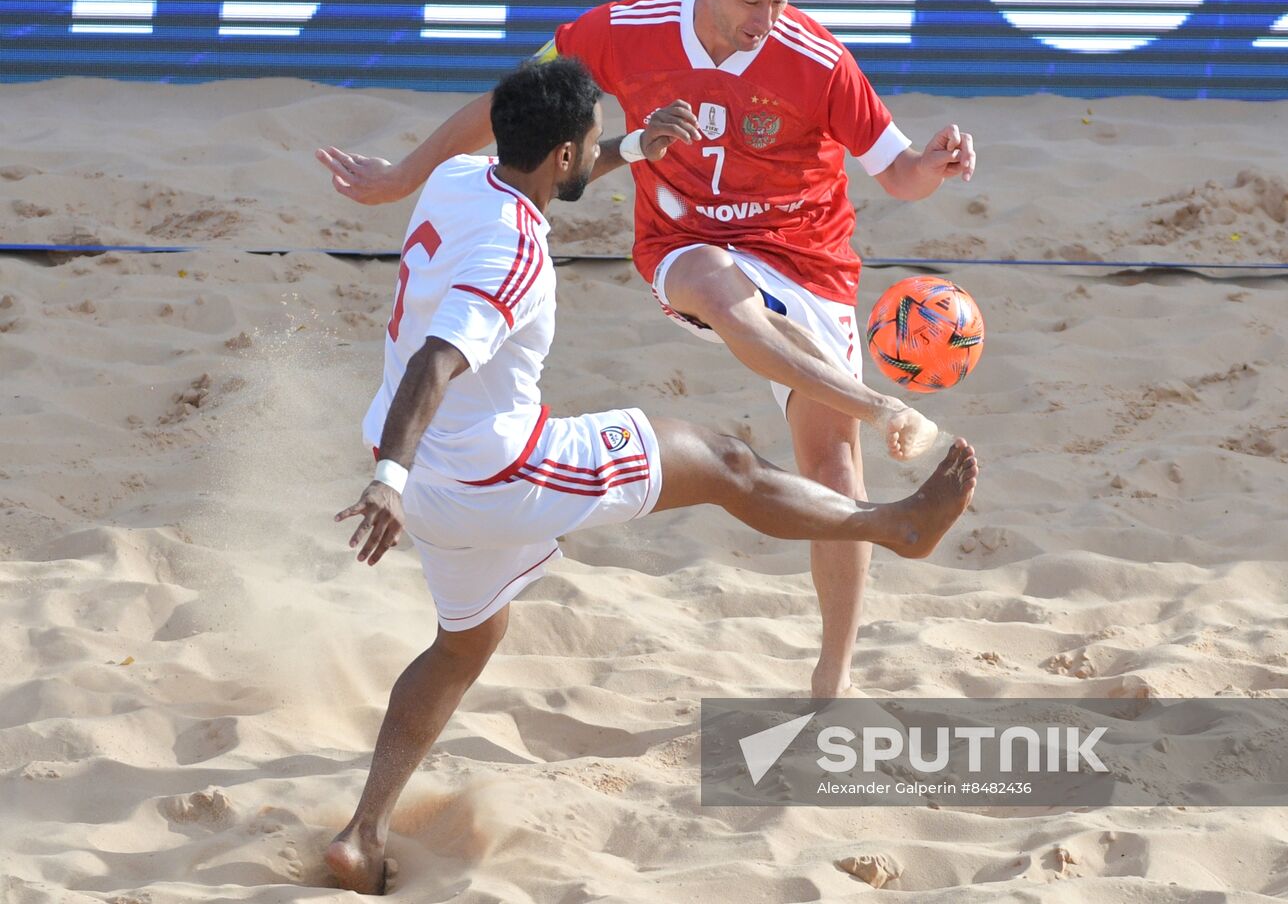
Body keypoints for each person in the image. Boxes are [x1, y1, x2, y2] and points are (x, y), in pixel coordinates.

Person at [325, 56, 978, 894]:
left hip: (434, 487)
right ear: (560, 154)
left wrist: (633, 146)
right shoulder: (514, 254)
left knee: (463, 644)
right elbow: (437, 360)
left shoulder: (460, 177)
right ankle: (896, 526)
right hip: (492, 468)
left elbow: (561, 172)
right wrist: (388, 475)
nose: (598, 147)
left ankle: (361, 833)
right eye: (592, 139)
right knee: (723, 462)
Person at [317, 0, 978, 699]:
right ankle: (877, 404)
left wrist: (934, 164)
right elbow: (515, 104)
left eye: (783, 0)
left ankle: (829, 681)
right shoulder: (622, 30)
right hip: (686, 243)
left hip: (808, 260)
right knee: (715, 290)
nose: (767, 21)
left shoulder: (818, 58)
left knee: (833, 469)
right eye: (750, 0)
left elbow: (896, 173)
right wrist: (399, 177)